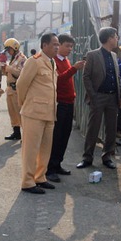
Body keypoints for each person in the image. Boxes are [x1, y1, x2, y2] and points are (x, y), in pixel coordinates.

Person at [17, 33, 60, 194]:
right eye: (54, 44)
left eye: (58, 44)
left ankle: (40, 177)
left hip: (49, 113)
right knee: (30, 149)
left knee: (45, 149)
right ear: (44, 45)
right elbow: (21, 85)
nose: (57, 47)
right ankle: (27, 182)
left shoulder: (52, 62)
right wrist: (25, 105)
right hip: (33, 113)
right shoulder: (34, 61)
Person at [77, 27, 121, 170]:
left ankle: (107, 156)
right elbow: (86, 77)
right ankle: (87, 157)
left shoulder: (114, 56)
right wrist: (93, 95)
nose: (117, 39)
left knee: (111, 128)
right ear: (110, 38)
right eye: (116, 37)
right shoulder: (93, 55)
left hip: (113, 97)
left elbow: (117, 78)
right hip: (98, 96)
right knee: (93, 127)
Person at [46, 34, 86, 183]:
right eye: (66, 46)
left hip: (69, 103)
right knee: (56, 136)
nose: (69, 49)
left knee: (65, 135)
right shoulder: (53, 61)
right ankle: (50, 168)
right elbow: (58, 79)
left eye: (71, 46)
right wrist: (74, 69)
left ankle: (57, 164)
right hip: (59, 103)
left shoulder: (66, 60)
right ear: (58, 45)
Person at [2, 38, 27, 141]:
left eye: (9, 49)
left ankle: (25, 135)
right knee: (12, 113)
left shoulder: (22, 59)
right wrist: (4, 70)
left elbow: (20, 73)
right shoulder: (13, 59)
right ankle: (16, 133)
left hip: (16, 89)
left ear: (15, 48)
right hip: (10, 89)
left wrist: (8, 68)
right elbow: (10, 73)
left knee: (20, 113)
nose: (8, 52)